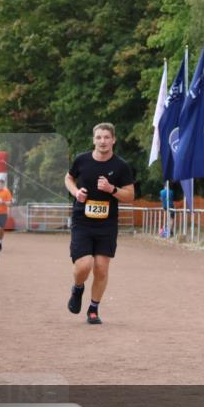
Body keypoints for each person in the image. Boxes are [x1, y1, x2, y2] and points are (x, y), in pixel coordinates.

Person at [64, 123, 135, 325]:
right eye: (99, 137)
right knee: (84, 265)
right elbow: (68, 178)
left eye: (106, 137)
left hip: (107, 224)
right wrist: (76, 192)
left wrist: (112, 189)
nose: (102, 141)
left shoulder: (121, 166)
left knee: (102, 269)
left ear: (113, 140)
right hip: (82, 221)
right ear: (93, 139)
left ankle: (93, 309)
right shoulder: (82, 160)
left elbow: (130, 195)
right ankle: (78, 288)